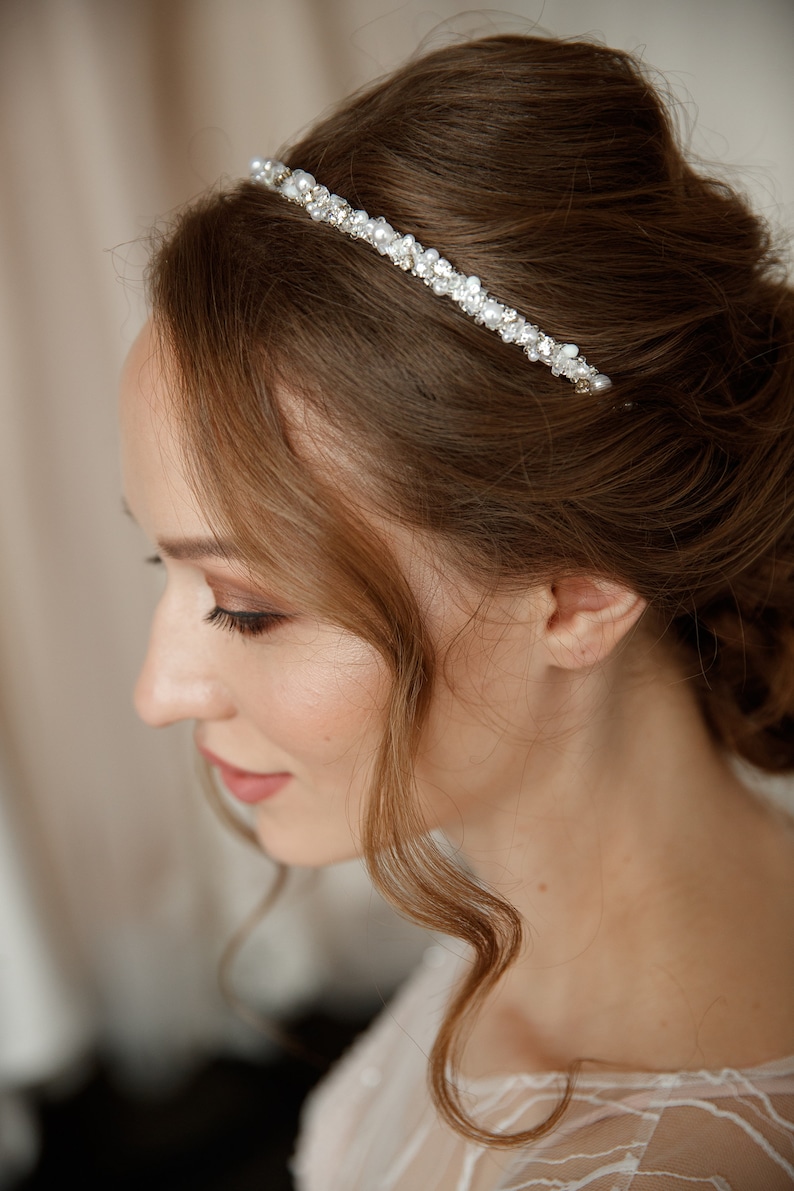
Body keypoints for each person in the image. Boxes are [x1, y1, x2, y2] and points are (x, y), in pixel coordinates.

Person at [119, 33, 794, 1190]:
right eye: (162, 569)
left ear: (576, 595)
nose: (156, 693)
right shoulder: (533, 913)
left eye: (244, 606)